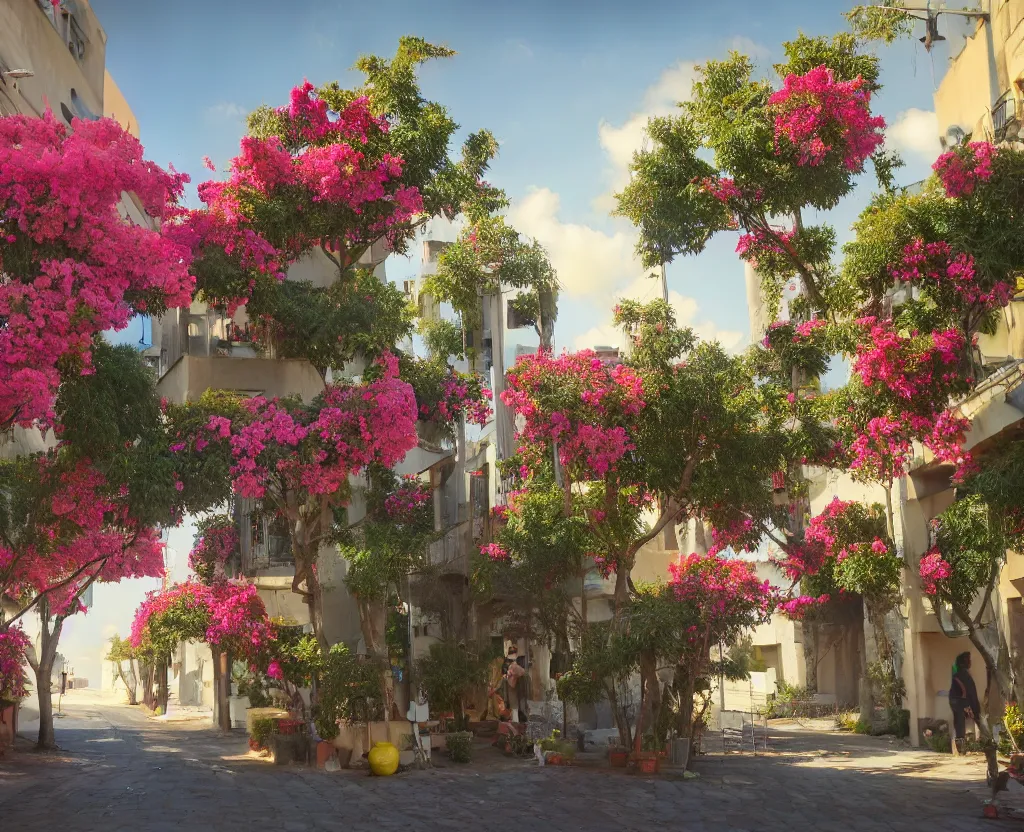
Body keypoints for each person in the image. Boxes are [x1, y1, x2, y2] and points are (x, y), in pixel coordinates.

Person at [949, 651, 981, 754]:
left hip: (959, 702)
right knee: (960, 725)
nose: (970, 662)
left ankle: (961, 749)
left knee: (959, 725)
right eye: (968, 660)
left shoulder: (962, 674)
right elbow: (968, 693)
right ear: (963, 662)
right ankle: (960, 750)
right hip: (959, 703)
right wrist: (971, 707)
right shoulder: (962, 675)